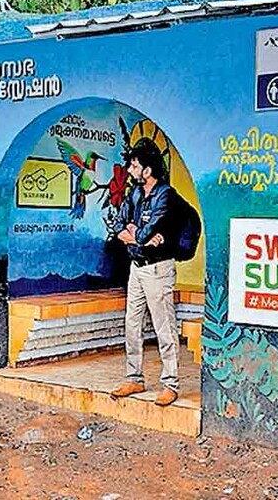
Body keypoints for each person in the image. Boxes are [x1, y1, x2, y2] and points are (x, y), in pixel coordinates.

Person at [110, 139, 181, 407]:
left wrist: (136, 234)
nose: (129, 170)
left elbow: (149, 230)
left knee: (164, 327)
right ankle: (135, 378)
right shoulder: (135, 194)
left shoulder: (165, 195)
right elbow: (119, 222)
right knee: (132, 324)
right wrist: (133, 236)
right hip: (136, 268)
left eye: (134, 165)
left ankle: (171, 384)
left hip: (157, 269)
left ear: (148, 170)